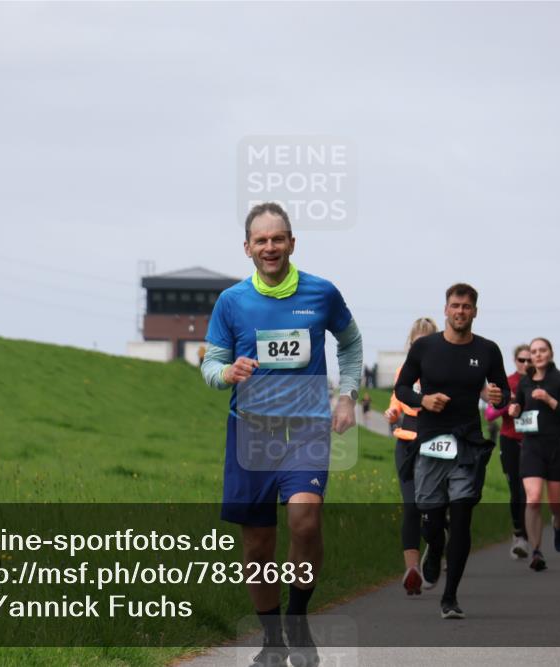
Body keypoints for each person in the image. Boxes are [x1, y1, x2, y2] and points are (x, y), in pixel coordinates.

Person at [201, 202, 362, 667]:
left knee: (305, 520)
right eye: (261, 240)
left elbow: (349, 342)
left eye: (278, 238)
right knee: (257, 543)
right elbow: (210, 364)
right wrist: (228, 372)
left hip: (306, 428)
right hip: (249, 432)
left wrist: (348, 394)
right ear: (247, 247)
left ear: (292, 242)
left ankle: (298, 616)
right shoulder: (231, 302)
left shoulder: (322, 292)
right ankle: (272, 639)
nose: (270, 247)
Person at [394, 283, 509, 619]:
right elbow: (402, 387)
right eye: (455, 306)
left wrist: (502, 398)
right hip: (431, 441)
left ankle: (450, 597)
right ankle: (434, 548)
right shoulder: (425, 348)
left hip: (468, 442)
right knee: (429, 515)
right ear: (446, 309)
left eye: (467, 307)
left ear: (475, 311)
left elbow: (505, 393)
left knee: (461, 518)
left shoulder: (487, 350)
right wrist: (422, 400)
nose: (461, 312)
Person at [508, 337, 560, 572]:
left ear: (550, 353)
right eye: (534, 351)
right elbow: (518, 409)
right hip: (531, 447)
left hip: (557, 447)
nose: (537, 355)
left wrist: (549, 399)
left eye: (542, 350)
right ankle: (536, 550)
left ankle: (559, 524)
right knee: (534, 498)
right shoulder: (525, 382)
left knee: (556, 504)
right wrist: (515, 409)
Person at [384, 317, 438, 596]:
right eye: (417, 342)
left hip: (434, 444)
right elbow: (396, 403)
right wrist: (392, 413)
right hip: (405, 443)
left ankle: (435, 549)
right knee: (411, 507)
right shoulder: (402, 372)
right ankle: (412, 571)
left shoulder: (442, 371)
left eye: (427, 341)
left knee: (431, 509)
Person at [484, 344, 531, 561]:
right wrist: (508, 402)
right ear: (515, 360)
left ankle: (529, 536)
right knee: (516, 490)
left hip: (534, 442)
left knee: (530, 493)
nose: (526, 364)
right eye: (522, 360)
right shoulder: (507, 382)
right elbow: (490, 415)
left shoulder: (540, 382)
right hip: (510, 440)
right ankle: (519, 534)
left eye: (530, 360)